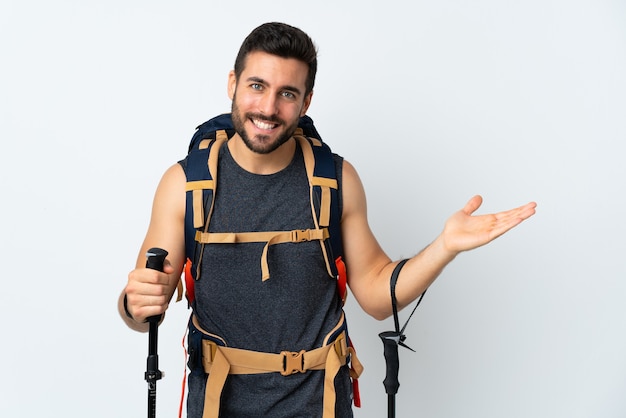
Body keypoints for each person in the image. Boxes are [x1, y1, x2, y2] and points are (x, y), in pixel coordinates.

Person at [118, 22, 536, 418]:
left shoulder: (335, 180)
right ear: (233, 84)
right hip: (217, 405)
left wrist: (444, 248)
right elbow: (142, 311)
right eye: (257, 86)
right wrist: (132, 303)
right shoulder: (186, 184)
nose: (267, 107)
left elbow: (377, 294)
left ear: (306, 102)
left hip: (320, 404)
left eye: (287, 93)